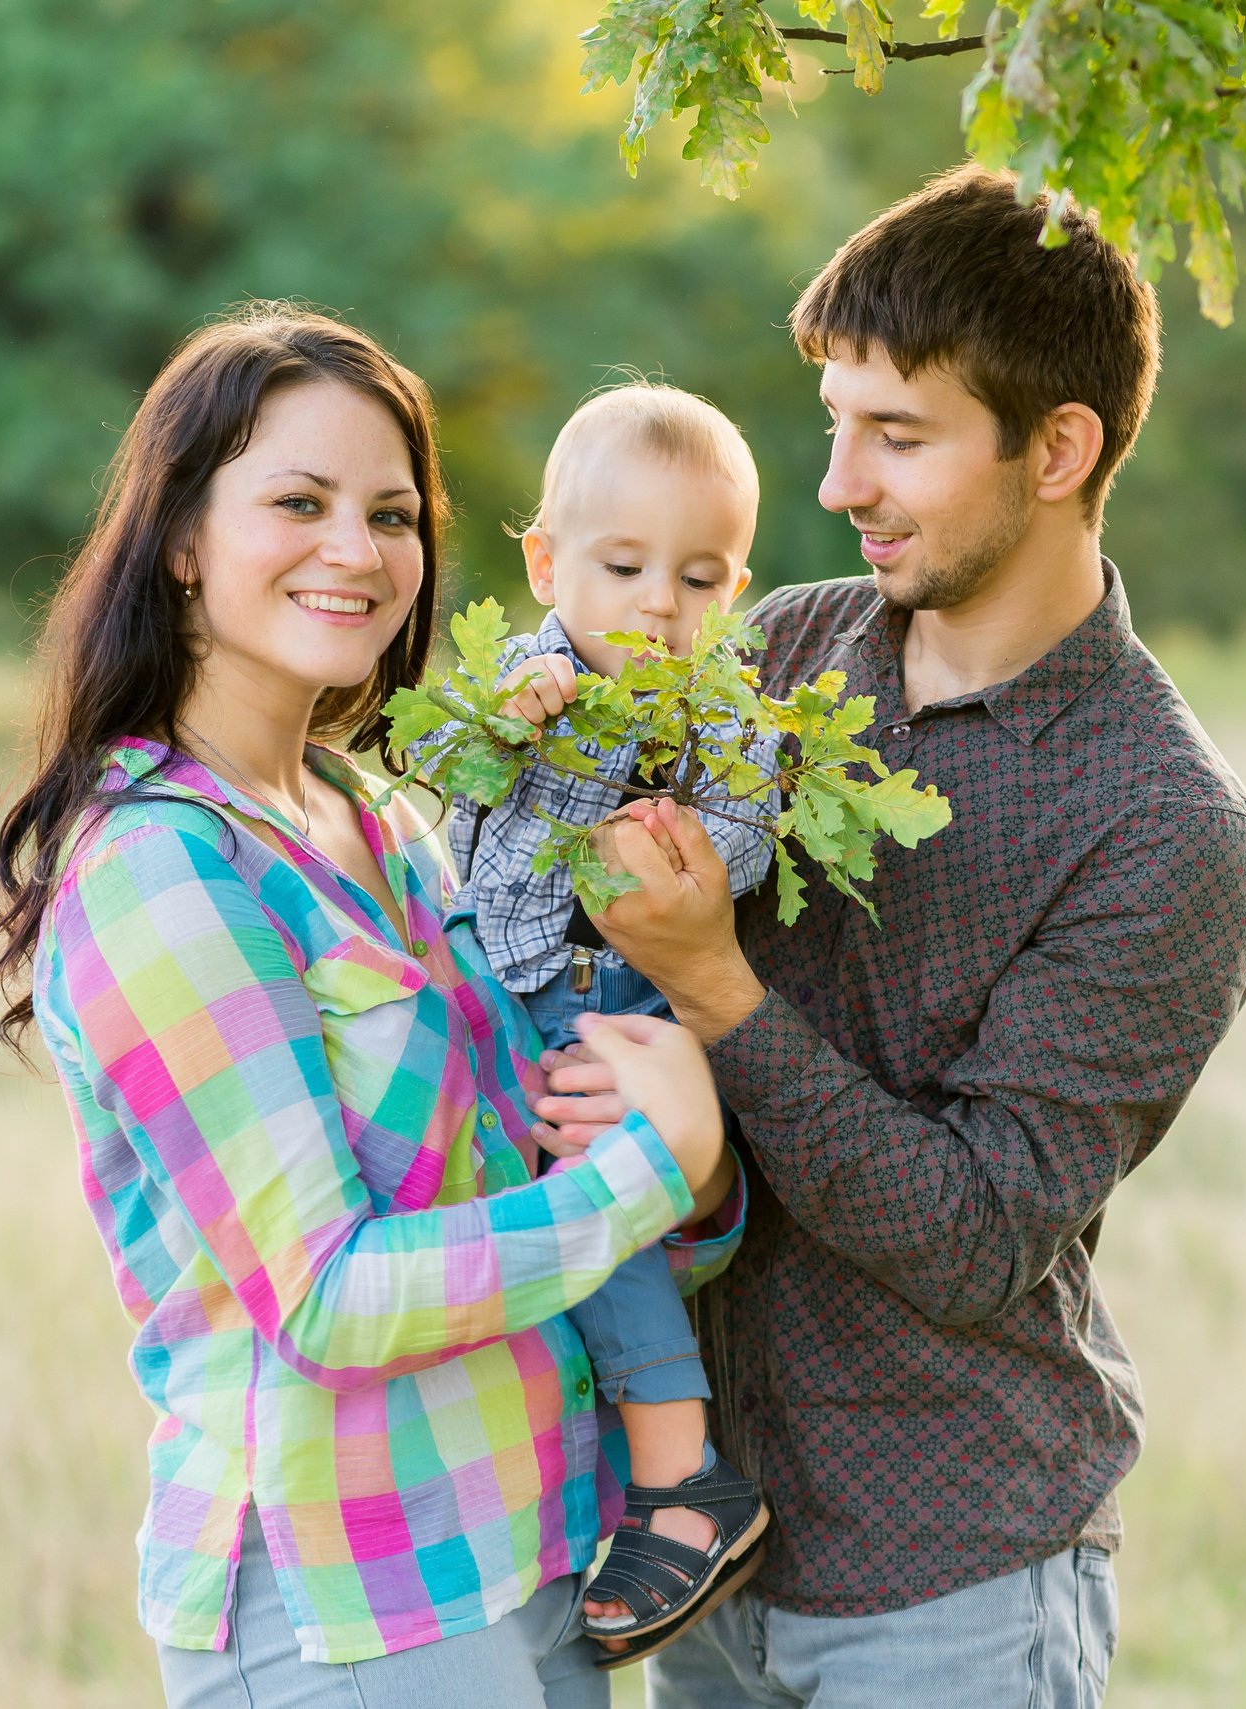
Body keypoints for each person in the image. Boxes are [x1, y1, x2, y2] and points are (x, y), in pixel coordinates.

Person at [534, 167, 1246, 1706]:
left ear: (1058, 449)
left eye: (899, 436)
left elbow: (974, 1233)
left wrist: (713, 984)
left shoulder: (1167, 830)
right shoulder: (777, 647)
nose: (836, 484)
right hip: (706, 1542)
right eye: (834, 423)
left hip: (952, 1573)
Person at [0, 305, 743, 1709]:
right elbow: (326, 1296)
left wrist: (684, 1170)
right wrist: (656, 1170)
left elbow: (527, 1165)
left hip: (536, 1548)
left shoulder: (384, 816)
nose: (358, 550)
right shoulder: (164, 867)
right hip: (346, 1606)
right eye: (299, 502)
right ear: (181, 538)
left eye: (390, 513)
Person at [438, 382, 777, 1658]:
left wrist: (680, 839)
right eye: (625, 566)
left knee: (607, 1208)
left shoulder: (720, 712)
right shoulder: (537, 675)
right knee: (514, 1224)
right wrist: (513, 723)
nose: (658, 604)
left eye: (699, 577)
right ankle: (590, 1477)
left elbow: (739, 852)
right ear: (546, 561)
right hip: (498, 982)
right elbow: (459, 783)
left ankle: (682, 1478)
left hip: (602, 995)